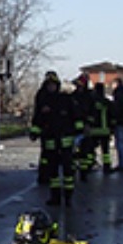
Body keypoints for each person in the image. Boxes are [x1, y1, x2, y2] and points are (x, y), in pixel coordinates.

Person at [29, 70, 83, 206]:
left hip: (65, 140)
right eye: (49, 85)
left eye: (53, 85)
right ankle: (55, 197)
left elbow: (76, 116)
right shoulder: (43, 100)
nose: (51, 87)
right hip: (50, 141)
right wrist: (34, 132)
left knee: (67, 170)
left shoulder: (66, 99)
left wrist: (78, 130)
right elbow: (37, 118)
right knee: (52, 171)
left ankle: (69, 197)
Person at [71, 73, 95, 181]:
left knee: (85, 151)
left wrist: (89, 124)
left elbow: (92, 112)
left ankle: (84, 172)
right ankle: (72, 169)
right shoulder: (73, 96)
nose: (79, 87)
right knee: (72, 151)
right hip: (73, 128)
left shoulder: (89, 96)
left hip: (85, 127)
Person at [89, 82, 115, 173]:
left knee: (91, 149)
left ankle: (90, 165)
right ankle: (107, 166)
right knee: (105, 151)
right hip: (105, 130)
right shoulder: (106, 102)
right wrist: (112, 128)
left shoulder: (92, 102)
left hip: (94, 130)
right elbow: (112, 115)